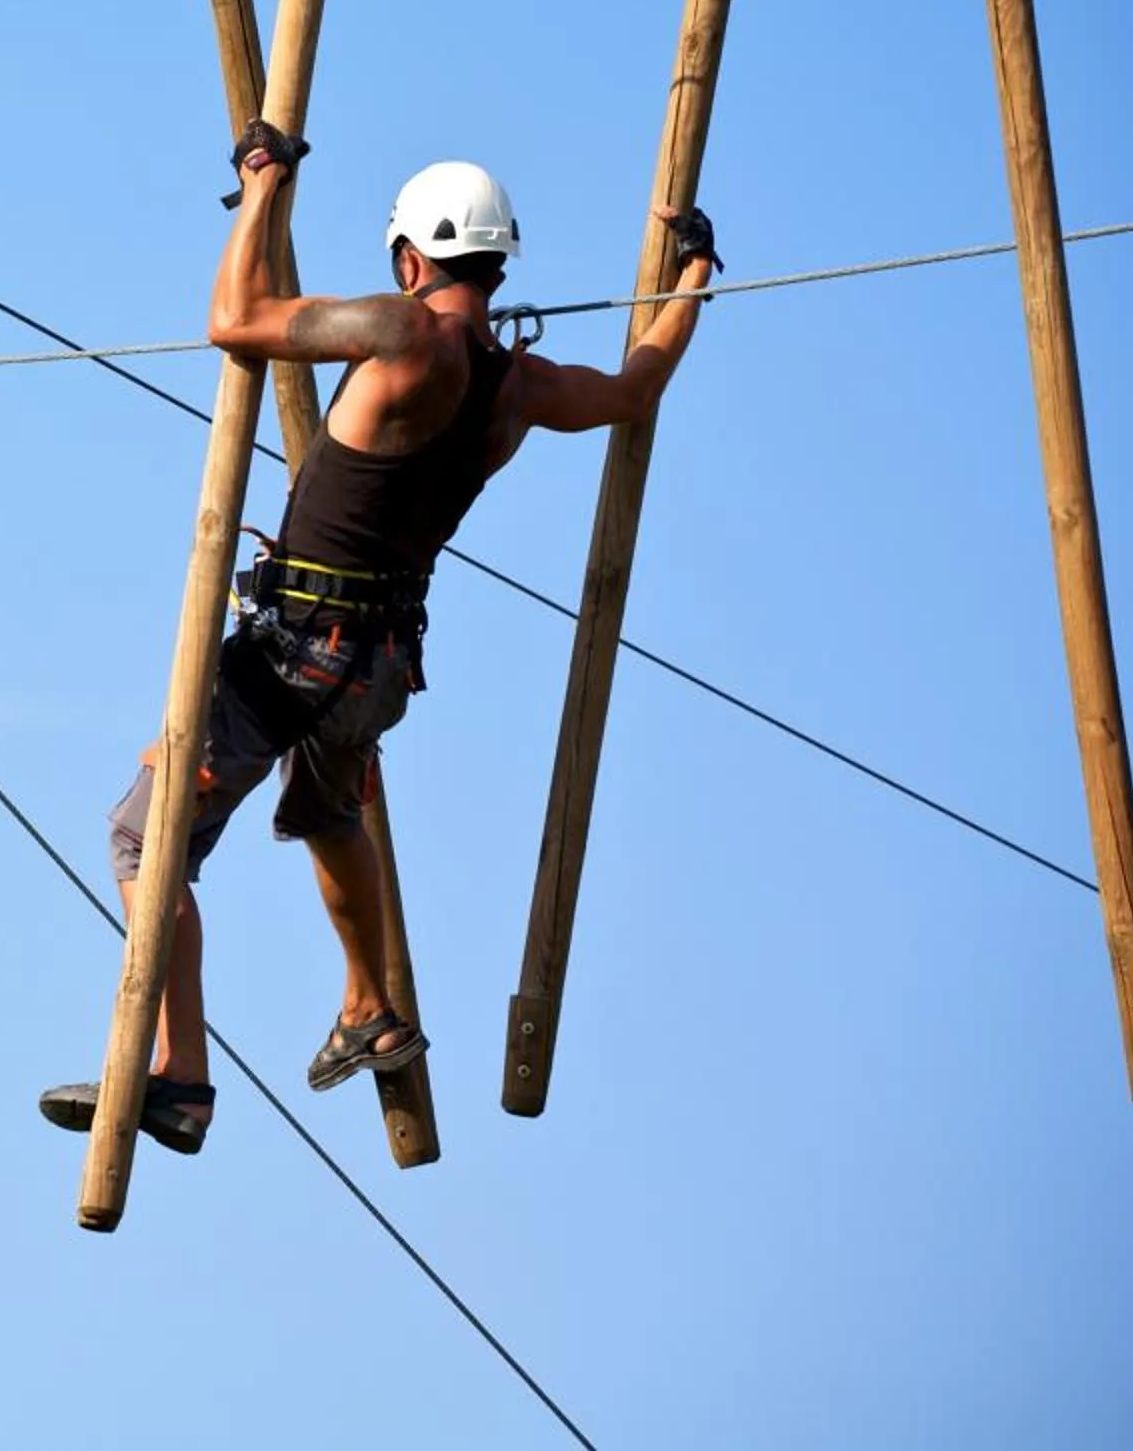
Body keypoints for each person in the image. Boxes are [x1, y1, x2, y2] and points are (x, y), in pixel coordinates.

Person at [41, 129, 724, 1156]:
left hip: (296, 647)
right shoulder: (519, 386)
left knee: (146, 838)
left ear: (411, 260)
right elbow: (635, 390)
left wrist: (262, 187)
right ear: (495, 268)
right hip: (378, 663)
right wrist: (695, 275)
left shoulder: (400, 332)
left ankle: (178, 1077)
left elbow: (234, 319)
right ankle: (370, 1005)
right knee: (327, 813)